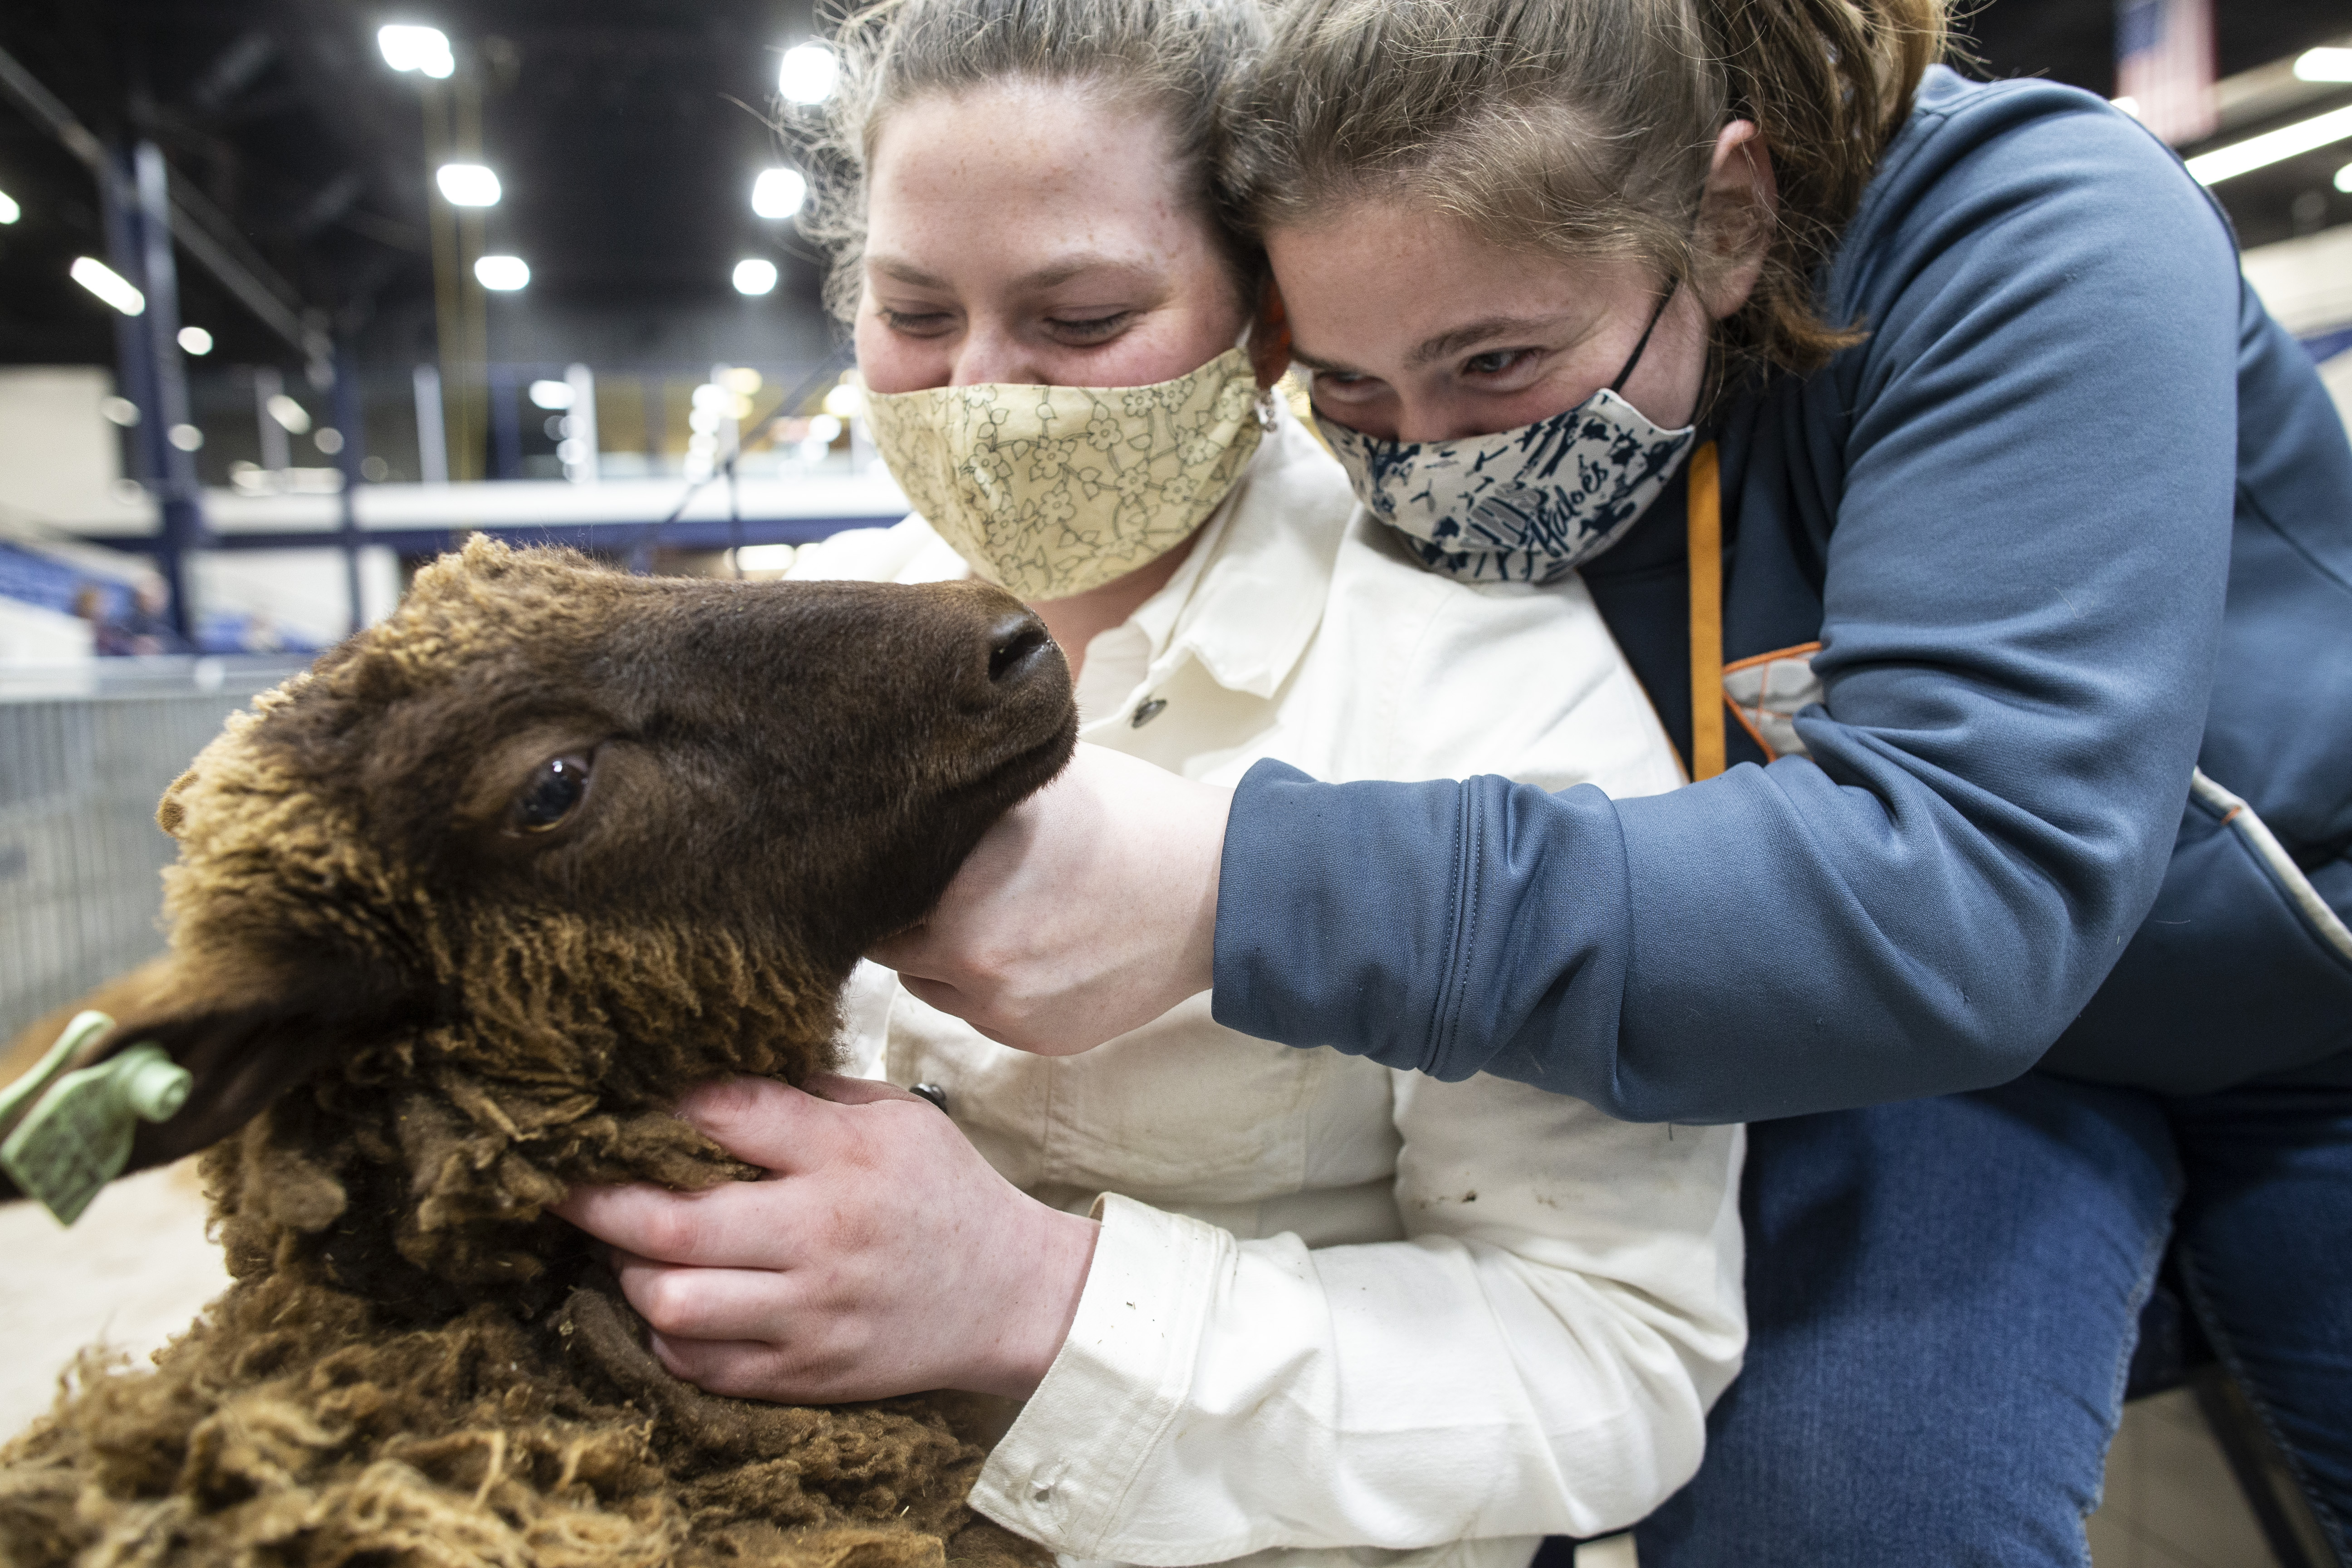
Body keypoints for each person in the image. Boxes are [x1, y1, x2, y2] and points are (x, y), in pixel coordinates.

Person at [872, 0, 2352, 1563]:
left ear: (1723, 220)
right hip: (1899, 1064)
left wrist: (1242, 887)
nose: (1434, 466)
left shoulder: (2038, 229)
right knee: (1827, 1519)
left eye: (1495, 362)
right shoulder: (1511, 460)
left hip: (2285, 1005)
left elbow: (1973, 887)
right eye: (1352, 393)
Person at [556, 2, 1741, 1564]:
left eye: (1082, 318)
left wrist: (1030, 1301)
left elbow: (1617, 1364)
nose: (984, 389)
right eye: (916, 315)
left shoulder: (1484, 688)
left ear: (1261, 327)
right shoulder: (774, 644)